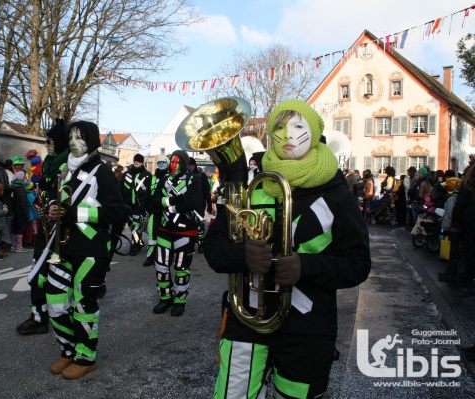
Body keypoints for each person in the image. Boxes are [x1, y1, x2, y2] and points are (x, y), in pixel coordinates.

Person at [204, 99, 371, 399]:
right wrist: (242, 256)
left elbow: (358, 263)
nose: (287, 135)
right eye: (279, 128)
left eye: (297, 126)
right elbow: (213, 248)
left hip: (308, 331)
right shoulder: (250, 187)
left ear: (314, 131)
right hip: (246, 323)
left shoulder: (337, 193)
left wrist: (305, 267)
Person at [45, 120, 125, 379]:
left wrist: (75, 214)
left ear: (91, 141)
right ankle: (67, 350)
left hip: (91, 250)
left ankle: (85, 356)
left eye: (79, 137)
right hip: (63, 249)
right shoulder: (67, 171)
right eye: (71, 137)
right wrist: (53, 209)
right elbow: (64, 204)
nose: (72, 142)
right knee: (55, 303)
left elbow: (117, 211)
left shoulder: (102, 171)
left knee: (83, 306)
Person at [16, 118, 70, 335]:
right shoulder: (49, 163)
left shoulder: (70, 164)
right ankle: (38, 316)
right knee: (38, 271)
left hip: (64, 230)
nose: (48, 146)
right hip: (46, 226)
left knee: (61, 277)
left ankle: (63, 318)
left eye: (51, 142)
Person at [150, 149, 201, 317]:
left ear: (184, 164)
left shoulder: (193, 178)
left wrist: (169, 207)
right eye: (172, 161)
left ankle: (180, 300)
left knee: (181, 267)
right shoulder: (163, 179)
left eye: (176, 162)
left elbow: (193, 203)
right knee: (161, 266)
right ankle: (165, 298)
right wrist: (174, 200)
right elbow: (154, 201)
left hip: (186, 231)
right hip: (164, 230)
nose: (173, 165)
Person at [121, 153, 152, 256]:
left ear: (142, 162)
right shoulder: (126, 174)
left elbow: (150, 192)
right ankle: (138, 242)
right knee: (131, 226)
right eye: (135, 160)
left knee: (136, 227)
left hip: (140, 206)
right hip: (128, 206)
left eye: (138, 160)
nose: (136, 162)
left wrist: (146, 206)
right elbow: (120, 189)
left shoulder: (147, 175)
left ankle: (135, 246)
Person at [142, 155, 170, 267]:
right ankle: (150, 257)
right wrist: (144, 208)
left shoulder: (171, 177)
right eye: (159, 163)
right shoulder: (152, 178)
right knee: (152, 235)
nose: (161, 164)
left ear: (167, 163)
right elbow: (147, 194)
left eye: (163, 162)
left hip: (167, 210)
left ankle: (166, 257)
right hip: (154, 210)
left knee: (166, 234)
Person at [451, 165, 475, 286]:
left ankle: (468, 274)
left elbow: (460, 203)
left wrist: (455, 218)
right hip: (469, 217)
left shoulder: (467, 183)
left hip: (468, 219)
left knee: (468, 247)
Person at [438, 177, 463, 282]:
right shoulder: (460, 197)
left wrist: (445, 228)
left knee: (453, 252)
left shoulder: (452, 198)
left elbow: (449, 214)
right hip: (458, 227)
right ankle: (451, 272)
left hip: (453, 228)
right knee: (455, 251)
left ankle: (451, 273)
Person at [188, 157, 212, 253]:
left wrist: (209, 204)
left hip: (200, 204)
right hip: (189, 205)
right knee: (190, 225)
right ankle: (190, 244)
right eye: (188, 165)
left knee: (200, 226)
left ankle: (201, 244)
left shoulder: (201, 175)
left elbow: (206, 191)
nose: (190, 167)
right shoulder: (185, 176)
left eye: (191, 165)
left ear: (194, 165)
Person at [10, 171, 31, 253]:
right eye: (24, 177)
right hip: (20, 211)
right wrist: (26, 212)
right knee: (20, 228)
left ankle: (13, 245)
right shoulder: (20, 188)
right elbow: (23, 201)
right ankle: (19, 246)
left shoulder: (13, 186)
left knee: (14, 227)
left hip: (14, 210)